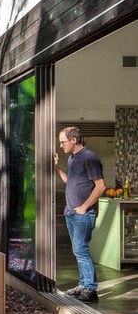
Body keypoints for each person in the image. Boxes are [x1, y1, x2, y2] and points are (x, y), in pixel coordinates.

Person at [54, 126, 106, 304]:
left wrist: (83, 207)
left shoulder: (89, 158)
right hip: (71, 213)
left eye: (63, 142)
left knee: (81, 250)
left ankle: (90, 289)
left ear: (74, 140)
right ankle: (83, 284)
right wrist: (56, 168)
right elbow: (70, 181)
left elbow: (100, 186)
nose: (61, 145)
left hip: (83, 214)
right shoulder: (72, 159)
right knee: (78, 251)